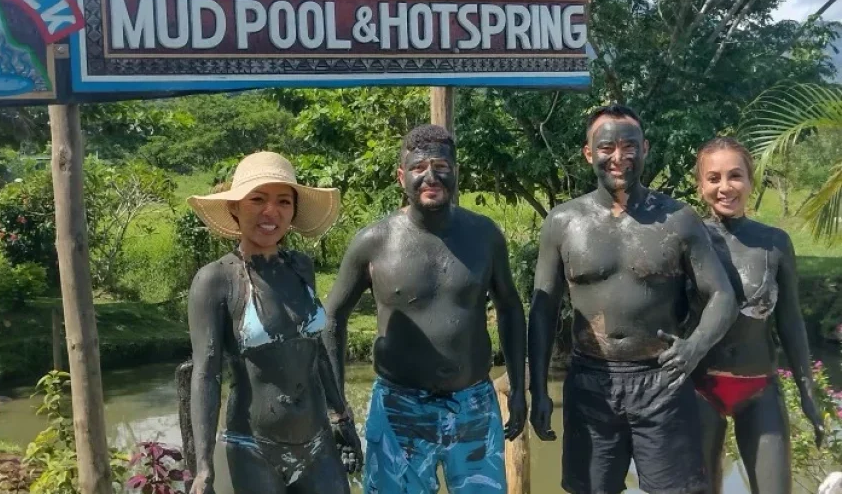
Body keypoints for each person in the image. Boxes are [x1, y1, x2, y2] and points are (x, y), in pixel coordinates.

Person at [527, 104, 738, 494]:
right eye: (606, 147)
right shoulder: (563, 222)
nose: (618, 157)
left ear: (645, 148)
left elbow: (722, 296)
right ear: (589, 153)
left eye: (629, 146)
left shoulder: (678, 219)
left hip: (663, 380)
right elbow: (543, 312)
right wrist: (538, 389)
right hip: (591, 382)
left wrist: (694, 347)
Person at [323, 124, 527, 494]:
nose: (430, 177)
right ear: (402, 176)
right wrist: (338, 411)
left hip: (474, 407)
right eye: (418, 168)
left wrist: (518, 388)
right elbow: (332, 317)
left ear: (456, 171)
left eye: (440, 166)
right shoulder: (374, 242)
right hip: (399, 409)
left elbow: (510, 307)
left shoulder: (485, 235)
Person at [185, 151, 362, 494]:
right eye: (257, 199)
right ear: (235, 207)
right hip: (253, 447)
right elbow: (206, 373)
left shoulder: (300, 267)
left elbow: (318, 352)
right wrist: (204, 468)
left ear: (293, 211)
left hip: (316, 441)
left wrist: (341, 415)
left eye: (283, 201)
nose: (271, 212)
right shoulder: (217, 280)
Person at [692, 137, 824, 494]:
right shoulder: (689, 239)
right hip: (699, 388)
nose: (725, 187)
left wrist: (808, 392)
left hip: (759, 385)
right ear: (700, 184)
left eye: (735, 176)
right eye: (713, 178)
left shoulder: (774, 243)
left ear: (751, 181)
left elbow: (791, 322)